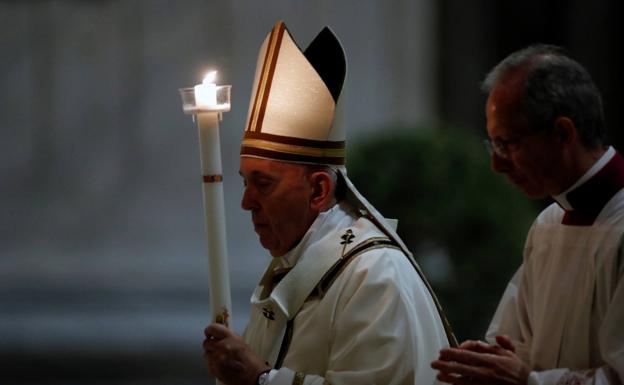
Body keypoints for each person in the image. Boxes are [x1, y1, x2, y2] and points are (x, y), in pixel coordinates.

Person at [202, 21, 455, 385]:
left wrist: (259, 379)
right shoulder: (294, 265)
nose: (246, 203)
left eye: (263, 184)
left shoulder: (374, 276)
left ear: (319, 190)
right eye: (245, 182)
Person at [431, 44, 624, 385]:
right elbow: (515, 344)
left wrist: (528, 381)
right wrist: (486, 365)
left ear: (563, 133)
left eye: (508, 144)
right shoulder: (548, 225)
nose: (496, 164)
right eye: (493, 145)